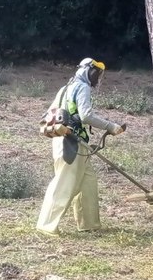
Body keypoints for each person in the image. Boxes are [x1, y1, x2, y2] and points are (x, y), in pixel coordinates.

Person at [36, 57, 126, 235]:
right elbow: (86, 116)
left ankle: (89, 223)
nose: (97, 77)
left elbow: (49, 114)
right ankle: (46, 225)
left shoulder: (65, 88)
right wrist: (111, 126)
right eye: (96, 73)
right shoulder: (82, 87)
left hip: (71, 141)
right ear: (88, 71)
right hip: (71, 142)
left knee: (87, 184)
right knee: (64, 183)